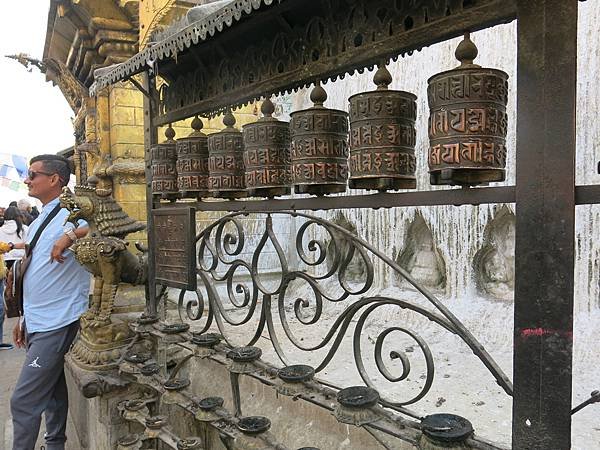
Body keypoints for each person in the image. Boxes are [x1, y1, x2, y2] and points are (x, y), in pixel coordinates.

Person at [9, 154, 90, 450]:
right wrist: (23, 319)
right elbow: (36, 267)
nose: (28, 179)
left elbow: (107, 228)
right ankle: (54, 444)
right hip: (38, 318)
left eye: (33, 174)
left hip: (59, 318)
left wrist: (70, 235)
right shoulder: (42, 215)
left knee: (23, 401)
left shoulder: (74, 211)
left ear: (54, 179)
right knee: (52, 392)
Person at [0, 206, 29, 350]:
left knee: (8, 292)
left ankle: (12, 309)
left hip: (5, 263)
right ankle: (21, 314)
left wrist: (8, 248)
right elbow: (30, 245)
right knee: (22, 292)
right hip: (21, 263)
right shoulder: (24, 228)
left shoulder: (0, 229)